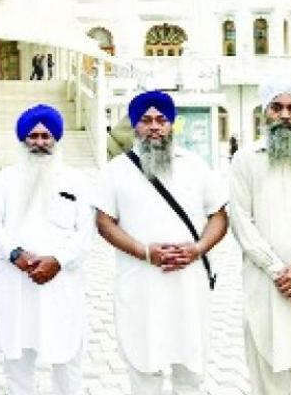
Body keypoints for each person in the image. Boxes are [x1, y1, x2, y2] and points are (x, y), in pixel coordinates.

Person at [93, 90, 228, 395]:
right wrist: (144, 252)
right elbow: (104, 222)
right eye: (145, 120)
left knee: (190, 370)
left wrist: (197, 249)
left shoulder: (195, 165)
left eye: (161, 119)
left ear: (171, 124)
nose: (154, 126)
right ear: (135, 126)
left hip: (188, 284)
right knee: (144, 366)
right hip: (140, 283)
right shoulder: (116, 171)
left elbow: (219, 216)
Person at [0, 104, 93, 395]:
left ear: (56, 139)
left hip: (62, 282)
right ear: (23, 140)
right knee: (17, 358)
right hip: (16, 281)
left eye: (46, 136)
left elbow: (85, 232)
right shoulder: (4, 179)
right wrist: (14, 254)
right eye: (33, 136)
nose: (40, 143)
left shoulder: (77, 181)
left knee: (67, 358)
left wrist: (58, 260)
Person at [229, 79, 291, 395]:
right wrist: (279, 271)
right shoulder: (245, 160)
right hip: (268, 290)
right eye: (277, 107)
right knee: (270, 384)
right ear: (264, 112)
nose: (285, 114)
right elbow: (241, 223)